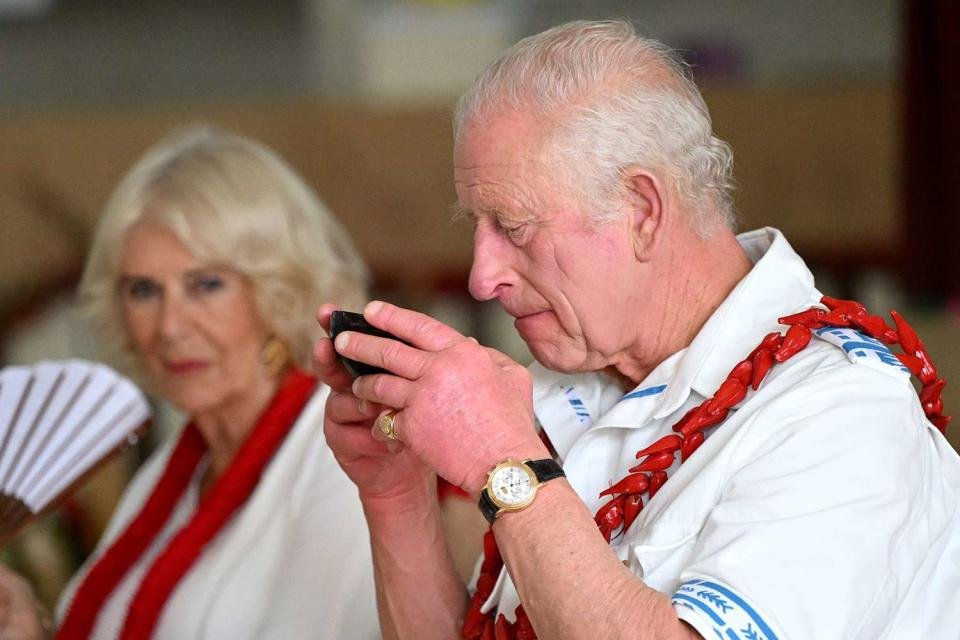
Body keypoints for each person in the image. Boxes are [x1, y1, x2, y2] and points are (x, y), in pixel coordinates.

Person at [315, 20, 960, 640]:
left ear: (643, 212)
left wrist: (506, 463)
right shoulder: (571, 383)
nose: (482, 278)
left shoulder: (843, 411)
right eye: (476, 228)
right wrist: (397, 496)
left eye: (513, 228)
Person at [0, 126, 379, 639]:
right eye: (143, 290)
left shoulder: (343, 454)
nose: (170, 326)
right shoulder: (166, 476)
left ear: (279, 287)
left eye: (206, 285)